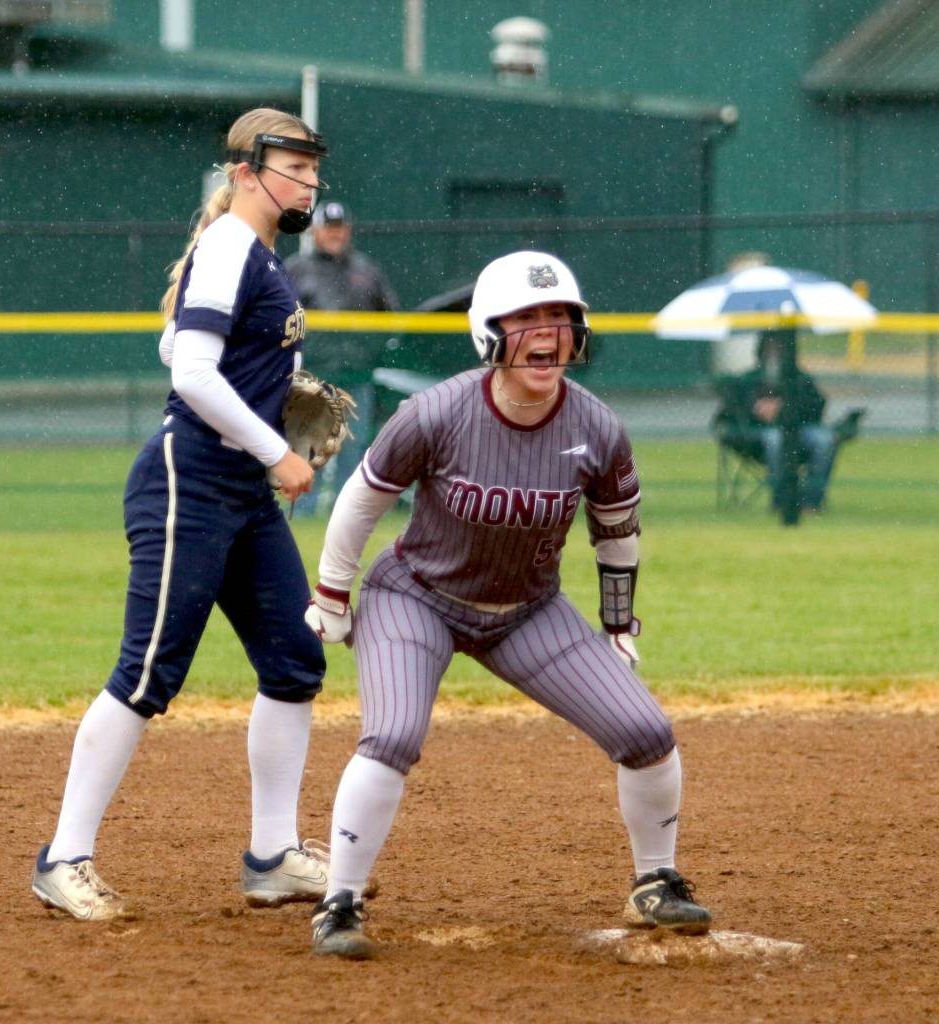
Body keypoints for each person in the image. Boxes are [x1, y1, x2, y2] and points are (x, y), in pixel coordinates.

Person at [300, 250, 713, 959]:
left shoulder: (598, 426)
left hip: (526, 610)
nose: (547, 334)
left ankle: (656, 881)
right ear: (488, 332)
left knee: (648, 732)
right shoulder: (436, 411)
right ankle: (339, 902)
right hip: (417, 598)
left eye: (559, 317)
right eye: (526, 319)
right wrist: (333, 594)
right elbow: (362, 500)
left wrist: (619, 626)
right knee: (392, 738)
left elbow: (616, 533)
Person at [31, 107, 337, 920]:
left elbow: (177, 345)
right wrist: (276, 447)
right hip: (190, 480)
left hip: (238, 491)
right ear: (244, 171)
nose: (308, 180)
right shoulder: (233, 245)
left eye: (314, 168)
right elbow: (195, 377)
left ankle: (273, 855)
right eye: (293, 166)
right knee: (147, 674)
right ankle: (63, 857)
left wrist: (275, 405)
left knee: (294, 659)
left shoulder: (255, 255)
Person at [285, 201, 400, 516]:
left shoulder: (366, 270)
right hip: (313, 375)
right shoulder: (297, 268)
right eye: (328, 228)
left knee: (353, 449)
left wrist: (372, 352)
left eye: (339, 228)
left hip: (357, 374)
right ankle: (301, 513)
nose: (334, 234)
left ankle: (344, 513)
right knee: (309, 445)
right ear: (316, 231)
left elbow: (389, 315)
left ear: (347, 230)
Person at [713, 331, 861, 512]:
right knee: (775, 439)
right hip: (756, 438)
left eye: (781, 347)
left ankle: (811, 501)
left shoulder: (801, 380)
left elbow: (817, 407)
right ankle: (782, 498)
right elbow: (729, 412)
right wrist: (756, 409)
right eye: (770, 347)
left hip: (799, 432)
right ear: (761, 349)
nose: (775, 352)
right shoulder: (746, 381)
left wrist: (785, 408)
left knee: (824, 439)